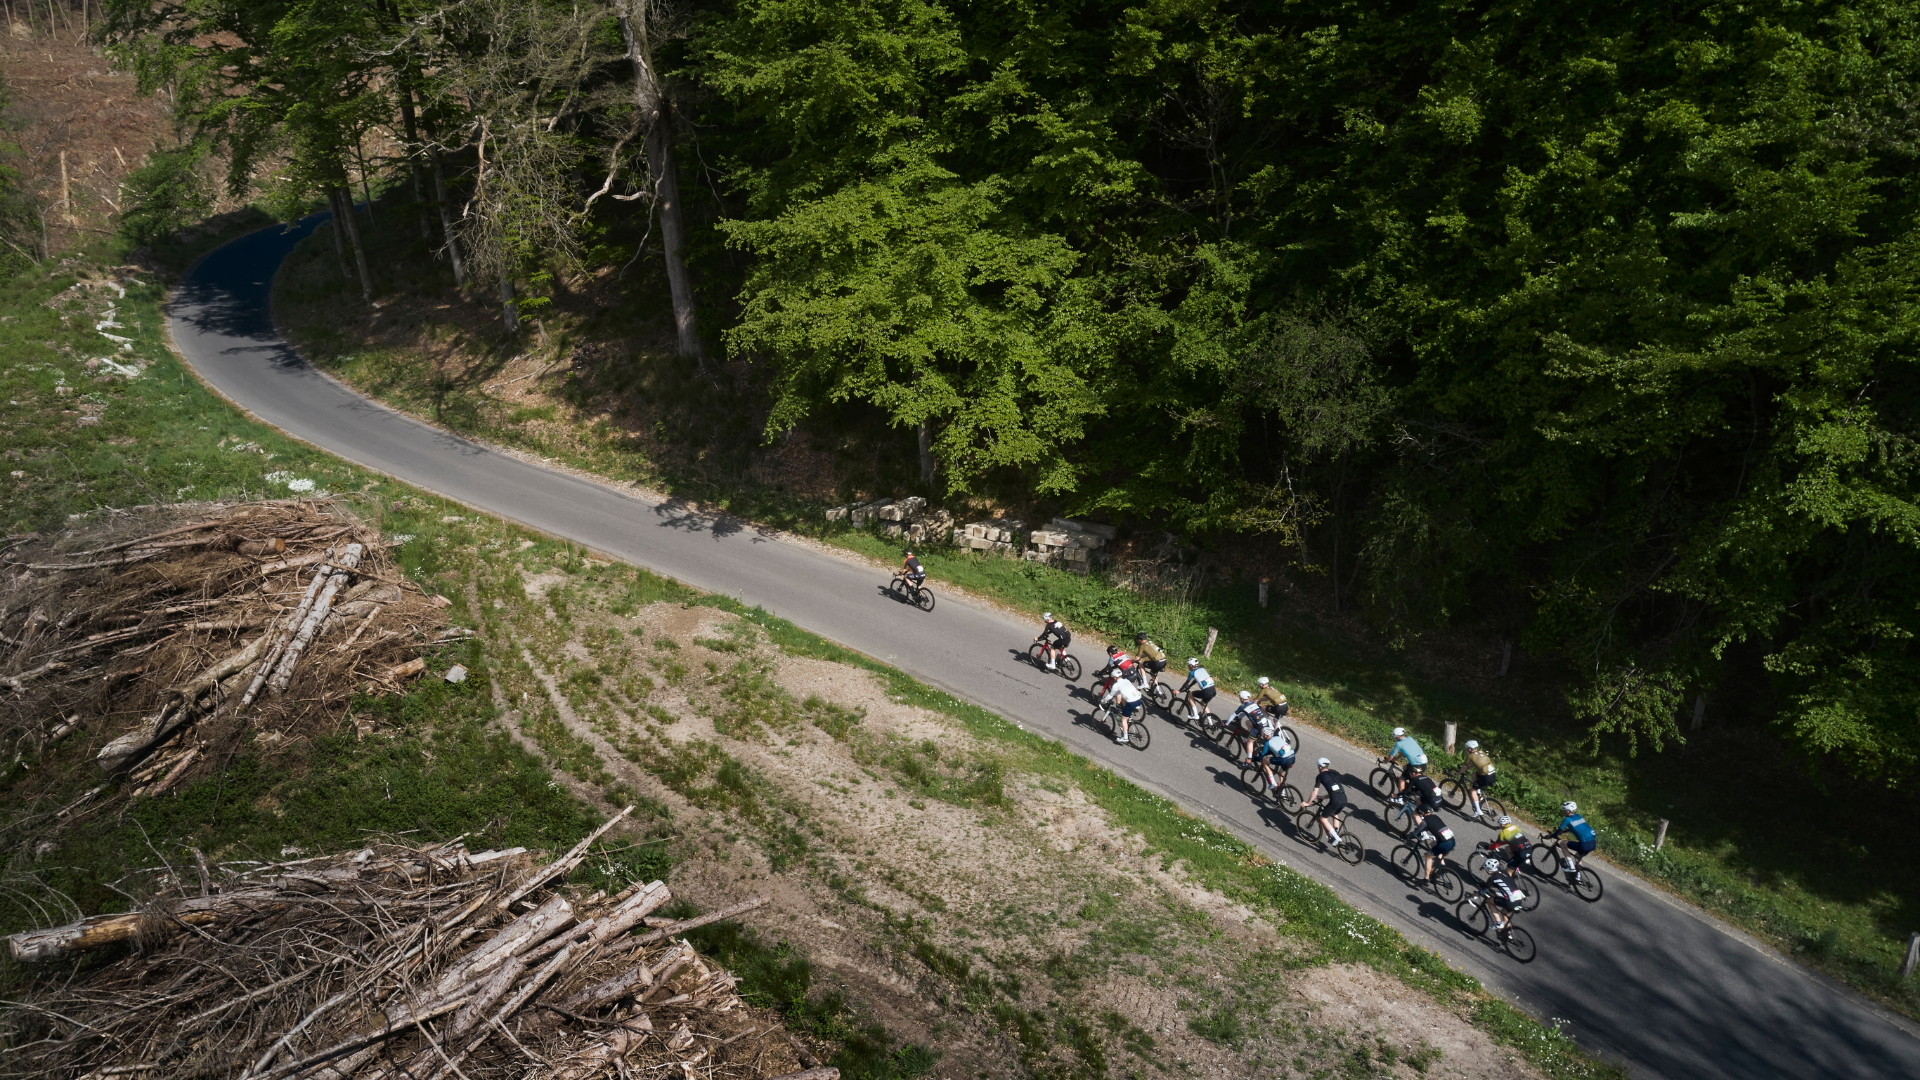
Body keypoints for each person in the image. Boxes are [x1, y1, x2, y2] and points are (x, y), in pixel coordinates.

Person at [1302, 757, 1350, 848]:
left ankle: (1336, 838)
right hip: (1343, 798)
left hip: (1335, 800)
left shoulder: (1320, 776)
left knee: (1323, 819)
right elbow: (1335, 790)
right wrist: (1323, 797)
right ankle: (1334, 833)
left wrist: (1307, 803)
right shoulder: (1334, 773)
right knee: (1335, 814)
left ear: (1320, 767)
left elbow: (1315, 792)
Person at [1098, 666, 1144, 744]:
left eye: (1113, 678)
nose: (1113, 679)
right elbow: (1119, 692)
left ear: (1115, 678)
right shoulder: (1126, 680)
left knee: (1123, 718)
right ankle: (1129, 719)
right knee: (1125, 706)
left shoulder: (1116, 685)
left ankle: (1125, 737)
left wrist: (1103, 700)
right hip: (1138, 699)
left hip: (1131, 702)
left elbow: (1110, 696)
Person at [1550, 801, 1597, 875]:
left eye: (1564, 811)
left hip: (1584, 845)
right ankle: (1577, 877)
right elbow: (1576, 827)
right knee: (1578, 857)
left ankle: (1571, 867)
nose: (1563, 812)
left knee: (1562, 844)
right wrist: (1564, 831)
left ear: (1568, 811)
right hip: (1593, 843)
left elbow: (1557, 833)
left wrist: (1551, 836)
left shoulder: (1567, 819)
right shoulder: (1579, 816)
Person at [1478, 864, 1526, 935]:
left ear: (1489, 870)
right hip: (1519, 899)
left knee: (1489, 901)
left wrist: (1473, 895)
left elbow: (1484, 890)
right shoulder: (1504, 873)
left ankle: (1498, 923)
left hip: (1511, 901)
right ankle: (1508, 934)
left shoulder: (1492, 878)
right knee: (1505, 911)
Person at [1414, 811, 1457, 887]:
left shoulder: (1425, 822)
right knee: (1432, 844)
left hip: (1444, 844)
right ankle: (1441, 865)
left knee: (1428, 857)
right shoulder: (1435, 817)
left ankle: (1425, 880)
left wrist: (1407, 836)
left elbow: (1417, 832)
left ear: (1423, 814)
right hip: (1451, 841)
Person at [1384, 726, 1428, 798]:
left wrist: (1386, 761)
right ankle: (1412, 783)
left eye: (1395, 737)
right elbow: (1403, 752)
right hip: (1423, 764)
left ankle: (1400, 799)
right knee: (1404, 767)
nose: (1395, 739)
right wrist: (1396, 759)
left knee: (1401, 779)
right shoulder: (1409, 738)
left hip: (1415, 766)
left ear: (1398, 736)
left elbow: (1391, 756)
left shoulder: (1399, 744)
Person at [1255, 721, 1298, 794]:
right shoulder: (1277, 737)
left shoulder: (1267, 743)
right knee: (1281, 773)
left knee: (1265, 761)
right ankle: (1282, 793)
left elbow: (1263, 754)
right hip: (1292, 756)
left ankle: (1273, 783)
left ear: (1265, 735)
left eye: (1263, 735)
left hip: (1285, 759)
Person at [1463, 739, 1498, 818]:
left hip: (1486, 777)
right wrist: (1468, 768)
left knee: (1472, 790)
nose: (1467, 750)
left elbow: (1464, 766)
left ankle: (1478, 811)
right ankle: (1478, 792)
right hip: (1492, 774)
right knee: (1473, 774)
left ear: (1470, 749)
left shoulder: (1470, 755)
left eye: (1467, 749)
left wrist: (1458, 772)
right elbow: (1475, 764)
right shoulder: (1481, 752)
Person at [1229, 690, 1267, 761]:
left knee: (1249, 741)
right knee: (1247, 722)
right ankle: (1254, 739)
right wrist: (1239, 717)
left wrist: (1226, 724)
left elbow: (1233, 715)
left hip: (1258, 726)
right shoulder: (1253, 703)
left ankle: (1249, 760)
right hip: (1265, 722)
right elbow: (1245, 712)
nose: (1240, 699)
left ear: (1242, 699)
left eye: (1240, 698)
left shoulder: (1243, 706)